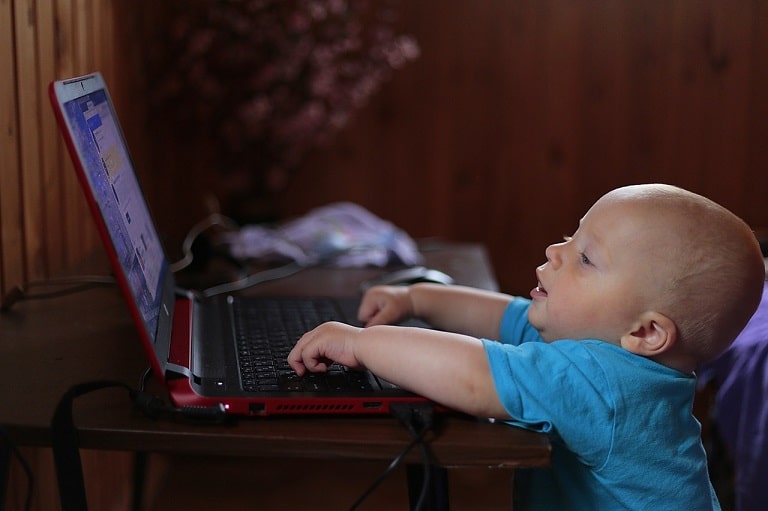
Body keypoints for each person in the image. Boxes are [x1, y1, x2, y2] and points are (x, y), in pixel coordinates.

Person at [288, 183, 766, 510]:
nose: (555, 252)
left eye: (585, 258)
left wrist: (362, 344)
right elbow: (505, 316)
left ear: (645, 332)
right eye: (570, 236)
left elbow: (473, 376)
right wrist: (416, 298)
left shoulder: (605, 382)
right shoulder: (608, 349)